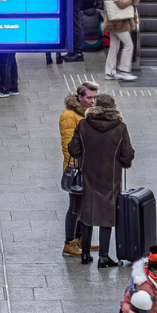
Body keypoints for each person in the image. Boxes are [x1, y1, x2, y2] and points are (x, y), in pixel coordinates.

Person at [68, 93, 136, 268]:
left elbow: (74, 149)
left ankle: (85, 254)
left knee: (86, 215)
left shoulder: (83, 125)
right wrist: (123, 162)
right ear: (113, 108)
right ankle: (104, 257)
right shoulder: (120, 127)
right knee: (107, 217)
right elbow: (127, 154)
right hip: (110, 178)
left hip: (87, 176)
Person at [60, 81, 100, 256]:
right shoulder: (69, 116)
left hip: (87, 166)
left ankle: (81, 240)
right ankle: (69, 243)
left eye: (94, 97)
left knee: (83, 206)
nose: (93, 101)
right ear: (79, 97)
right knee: (75, 207)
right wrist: (76, 167)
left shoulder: (85, 113)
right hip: (77, 168)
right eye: (89, 97)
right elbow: (68, 145)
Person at [103, 0, 139, 82]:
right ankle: (124, 70)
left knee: (114, 47)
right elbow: (121, 4)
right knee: (129, 45)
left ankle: (109, 72)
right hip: (118, 24)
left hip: (112, 22)